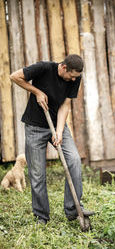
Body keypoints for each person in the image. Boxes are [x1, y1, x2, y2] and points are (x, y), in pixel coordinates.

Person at [10, 54, 94, 224]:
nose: (73, 80)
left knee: (74, 160)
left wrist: (60, 131)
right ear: (63, 67)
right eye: (71, 76)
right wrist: (37, 92)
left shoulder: (75, 77)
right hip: (35, 127)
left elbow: (65, 105)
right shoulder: (43, 68)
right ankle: (41, 216)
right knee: (37, 173)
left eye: (75, 77)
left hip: (56, 125)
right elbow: (15, 76)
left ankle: (73, 209)